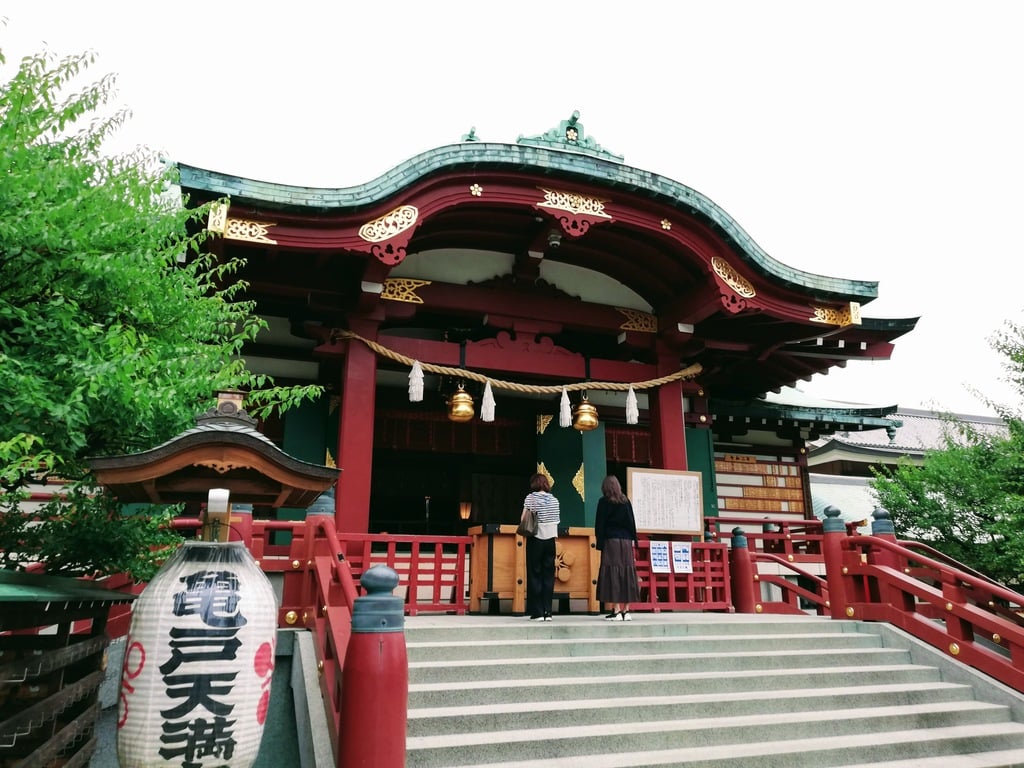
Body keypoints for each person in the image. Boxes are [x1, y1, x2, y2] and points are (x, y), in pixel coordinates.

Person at [595, 474, 640, 621]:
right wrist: (635, 540)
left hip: (611, 541)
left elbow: (600, 524)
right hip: (626, 541)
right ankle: (626, 610)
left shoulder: (604, 502)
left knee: (612, 573)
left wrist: (600, 543)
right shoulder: (626, 501)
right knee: (627, 572)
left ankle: (616, 609)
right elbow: (631, 522)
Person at [522, 472, 560, 621]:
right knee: (549, 575)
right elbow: (556, 521)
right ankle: (548, 612)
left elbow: (523, 519)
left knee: (535, 573)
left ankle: (537, 611)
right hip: (550, 540)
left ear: (534, 484)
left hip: (536, 539)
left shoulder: (531, 498)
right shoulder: (555, 500)